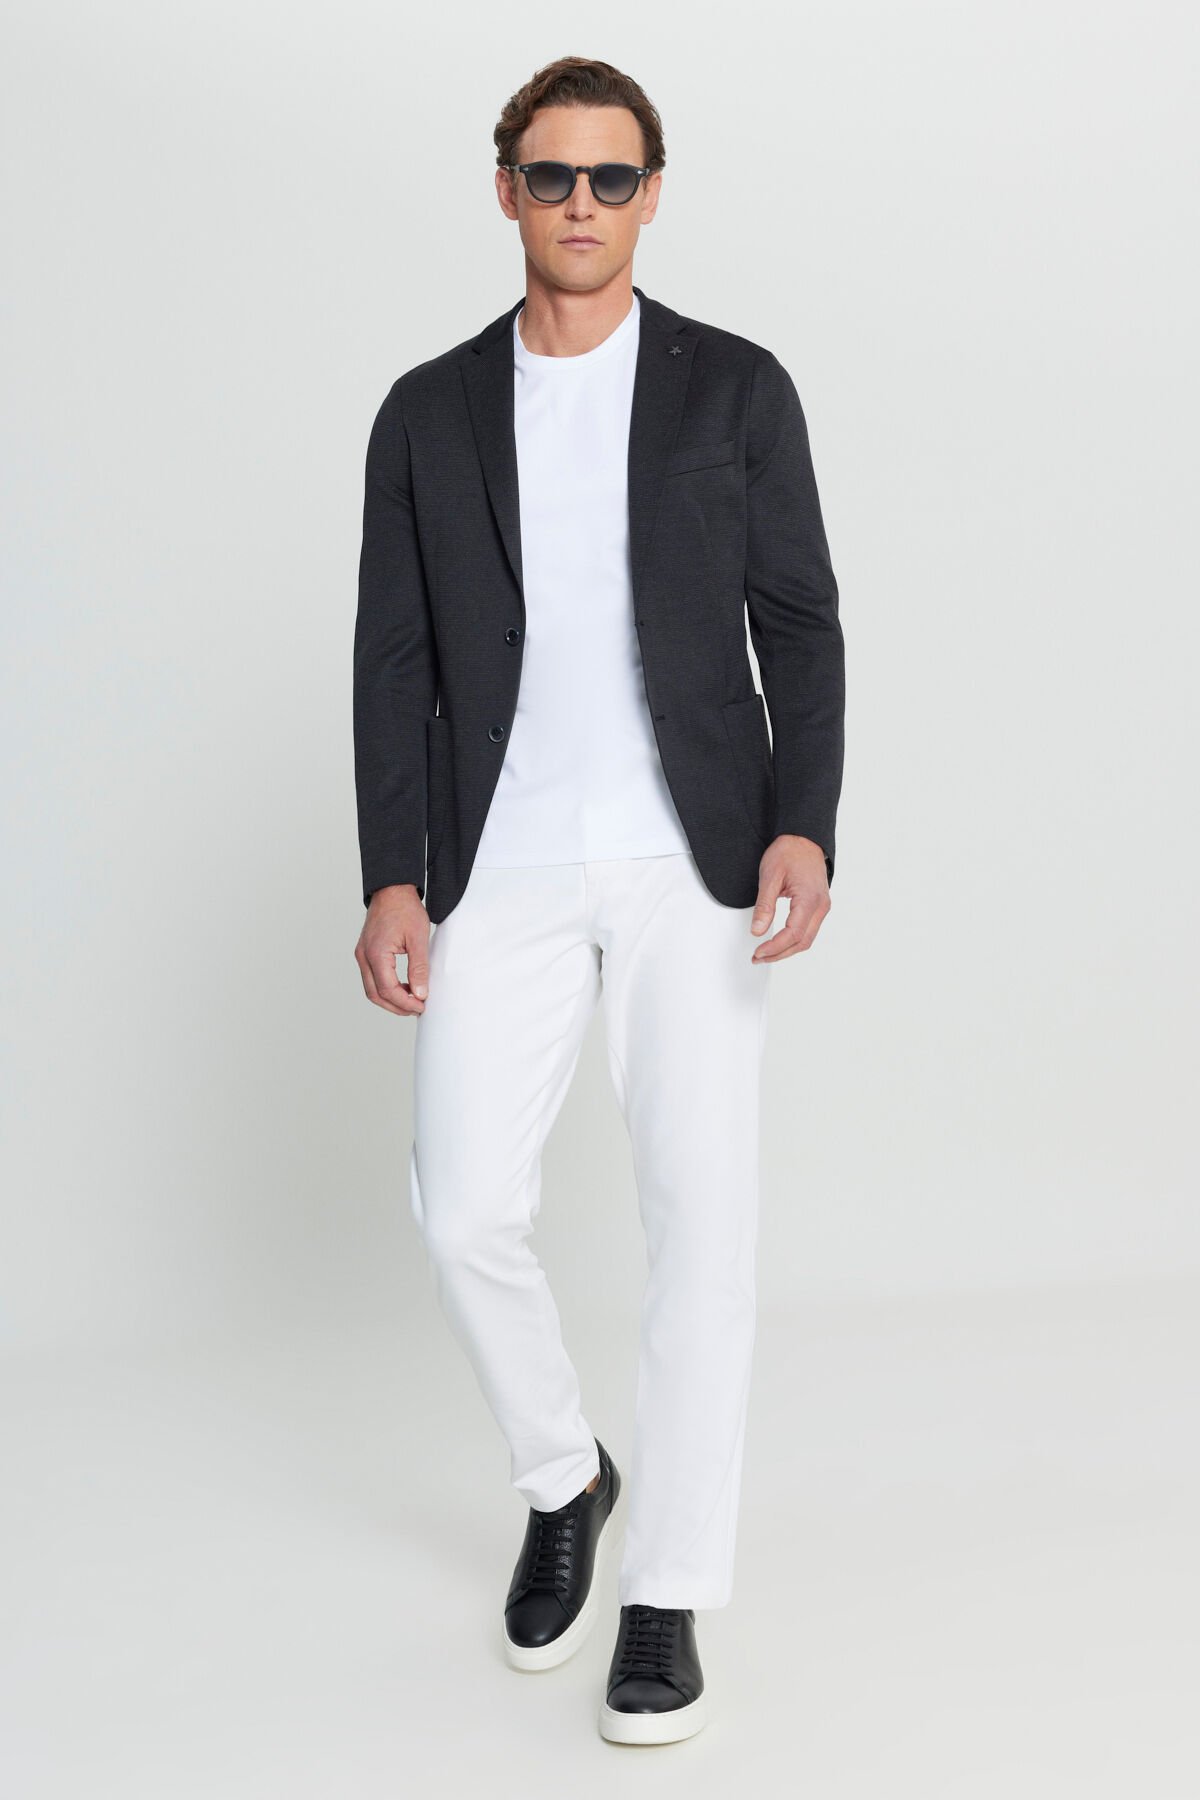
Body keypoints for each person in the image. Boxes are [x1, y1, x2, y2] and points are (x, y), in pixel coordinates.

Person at [352, 55, 845, 1746]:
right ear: (506, 190)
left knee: (702, 1220)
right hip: (496, 854)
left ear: (652, 195)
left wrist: (803, 825)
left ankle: (667, 1591)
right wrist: (394, 872)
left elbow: (802, 625)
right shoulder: (426, 413)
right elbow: (393, 657)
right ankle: (566, 1474)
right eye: (551, 176)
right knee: (462, 1204)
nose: (581, 204)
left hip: (692, 855)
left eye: (611, 177)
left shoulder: (735, 390)